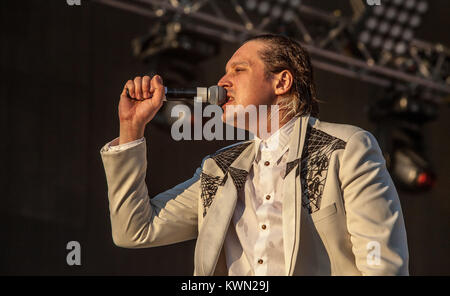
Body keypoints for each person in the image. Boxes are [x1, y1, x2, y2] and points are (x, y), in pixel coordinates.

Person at [100, 34, 409, 275]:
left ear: (282, 81)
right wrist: (131, 127)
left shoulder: (346, 147)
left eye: (238, 70)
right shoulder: (218, 169)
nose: (222, 81)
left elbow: (383, 266)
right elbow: (135, 230)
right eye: (224, 72)